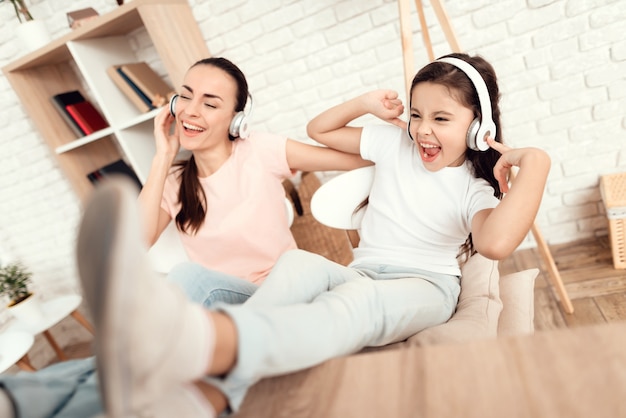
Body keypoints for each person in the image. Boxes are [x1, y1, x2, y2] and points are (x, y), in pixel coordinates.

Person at [75, 52, 549, 417]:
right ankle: (154, 355)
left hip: (425, 285)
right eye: (417, 115)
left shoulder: (474, 189)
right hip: (362, 272)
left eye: (441, 119)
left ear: (477, 128)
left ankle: (214, 380)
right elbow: (320, 128)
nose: (422, 130)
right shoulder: (393, 142)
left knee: (351, 307)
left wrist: (536, 166)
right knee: (294, 264)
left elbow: (495, 244)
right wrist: (367, 105)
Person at [0, 57, 368, 418]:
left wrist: (402, 135)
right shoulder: (176, 181)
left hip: (276, 296)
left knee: (184, 282)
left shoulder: (261, 150)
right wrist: (163, 156)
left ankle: (36, 393)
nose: (191, 111)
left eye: (210, 103)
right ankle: (23, 400)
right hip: (210, 316)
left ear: (237, 119)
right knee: (134, 356)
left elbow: (354, 160)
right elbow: (137, 241)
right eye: (185, 96)